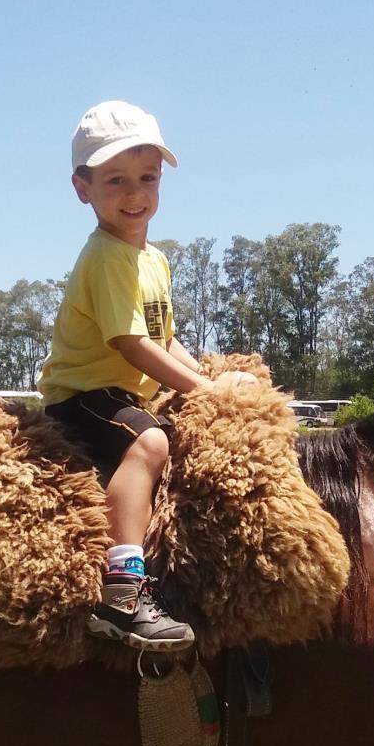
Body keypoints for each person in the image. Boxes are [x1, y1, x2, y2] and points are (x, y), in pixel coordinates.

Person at [38, 101, 245, 652]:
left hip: (122, 392)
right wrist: (204, 390)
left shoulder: (152, 259)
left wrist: (210, 378)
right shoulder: (106, 257)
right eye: (116, 180)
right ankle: (122, 592)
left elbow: (162, 334)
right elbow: (129, 343)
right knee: (150, 441)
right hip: (84, 395)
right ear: (83, 189)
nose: (136, 194)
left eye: (147, 177)